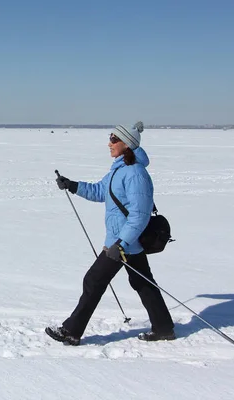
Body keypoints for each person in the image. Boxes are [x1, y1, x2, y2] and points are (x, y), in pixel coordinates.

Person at [46, 121, 175, 346]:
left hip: (122, 243)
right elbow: (99, 191)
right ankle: (164, 328)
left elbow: (140, 214)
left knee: (94, 280)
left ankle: (71, 331)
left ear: (128, 144)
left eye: (114, 139)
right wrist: (72, 185)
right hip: (124, 242)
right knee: (143, 283)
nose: (109, 143)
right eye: (110, 138)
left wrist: (122, 243)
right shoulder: (119, 169)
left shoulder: (135, 173)